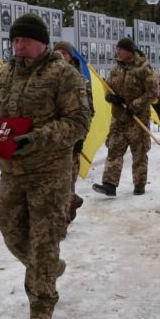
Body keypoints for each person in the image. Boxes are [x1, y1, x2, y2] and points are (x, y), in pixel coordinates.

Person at [0, 14, 90, 319]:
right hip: (12, 172)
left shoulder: (64, 75)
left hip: (49, 175)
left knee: (42, 244)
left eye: (25, 40)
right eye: (15, 41)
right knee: (10, 232)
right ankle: (49, 268)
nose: (19, 46)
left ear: (42, 42)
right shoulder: (3, 75)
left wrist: (36, 138)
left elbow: (78, 122)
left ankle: (40, 314)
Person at [92, 38, 159, 197]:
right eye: (117, 49)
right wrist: (111, 98)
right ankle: (109, 184)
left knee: (139, 152)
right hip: (118, 118)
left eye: (120, 49)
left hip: (137, 119)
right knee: (114, 150)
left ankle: (139, 184)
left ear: (130, 51)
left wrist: (134, 106)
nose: (117, 52)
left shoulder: (144, 68)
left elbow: (152, 93)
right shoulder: (116, 68)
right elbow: (108, 87)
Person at [52, 40, 94, 230]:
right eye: (57, 51)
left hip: (71, 141)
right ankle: (71, 202)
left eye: (64, 52)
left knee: (66, 183)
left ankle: (61, 225)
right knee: (51, 184)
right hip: (49, 140)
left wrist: (79, 138)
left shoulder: (80, 81)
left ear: (71, 57)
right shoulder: (46, 79)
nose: (60, 55)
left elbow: (87, 113)